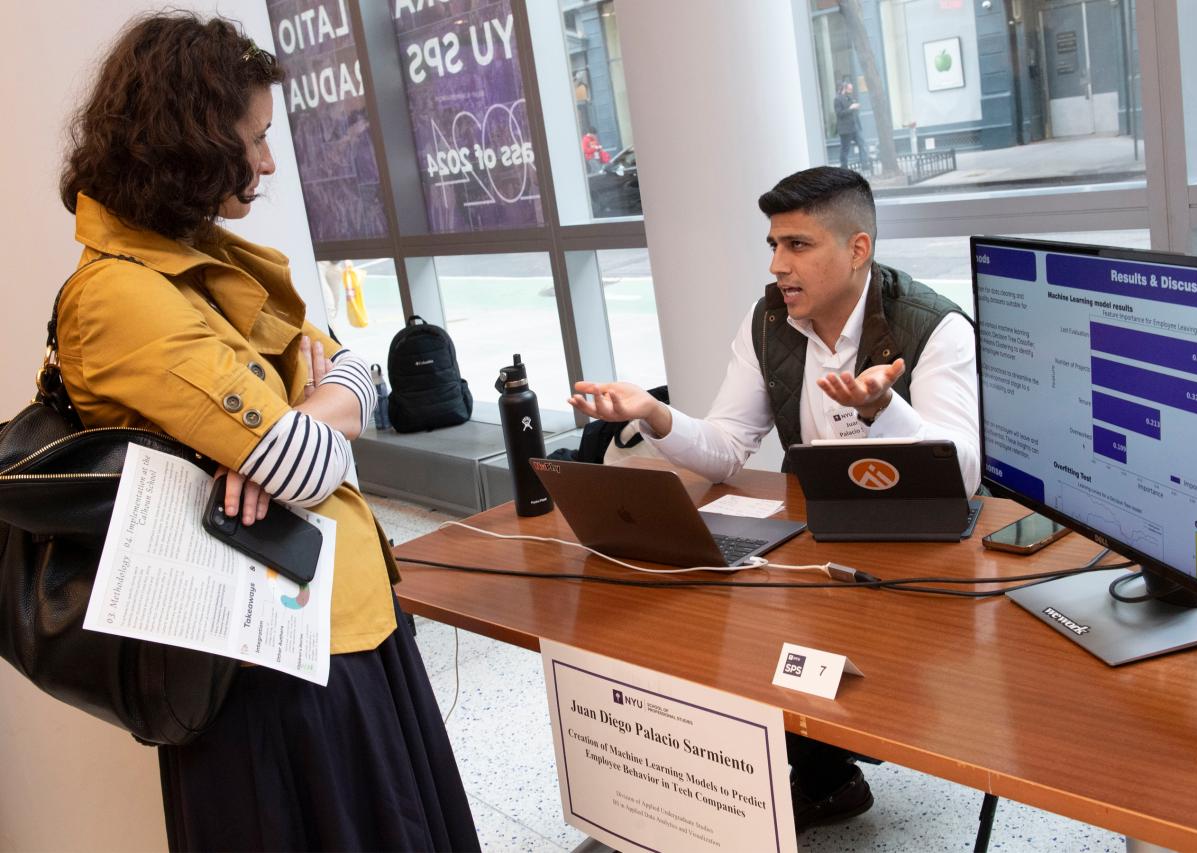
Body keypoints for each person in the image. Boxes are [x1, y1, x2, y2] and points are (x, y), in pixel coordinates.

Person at [56, 13, 479, 851]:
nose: (267, 163)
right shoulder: (120, 297)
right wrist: (310, 422)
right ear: (187, 140)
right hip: (269, 664)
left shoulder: (192, 260)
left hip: (327, 622)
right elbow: (308, 462)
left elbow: (345, 367)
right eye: (253, 140)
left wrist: (323, 403)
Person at [569, 166, 980, 832]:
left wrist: (885, 410)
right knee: (712, 607)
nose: (778, 264)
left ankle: (829, 759)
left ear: (858, 249)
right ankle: (807, 777)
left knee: (786, 628)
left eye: (797, 245)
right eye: (773, 245)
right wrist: (655, 413)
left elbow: (963, 472)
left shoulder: (934, 327)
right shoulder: (770, 321)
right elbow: (728, 446)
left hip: (925, 545)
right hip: (825, 532)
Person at [834, 80, 868, 170]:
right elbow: (839, 114)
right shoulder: (837, 99)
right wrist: (851, 108)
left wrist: (856, 107)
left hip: (855, 127)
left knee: (862, 144)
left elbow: (854, 112)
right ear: (844, 89)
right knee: (845, 149)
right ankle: (844, 166)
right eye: (850, 89)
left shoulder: (850, 97)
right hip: (846, 129)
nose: (851, 90)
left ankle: (865, 165)